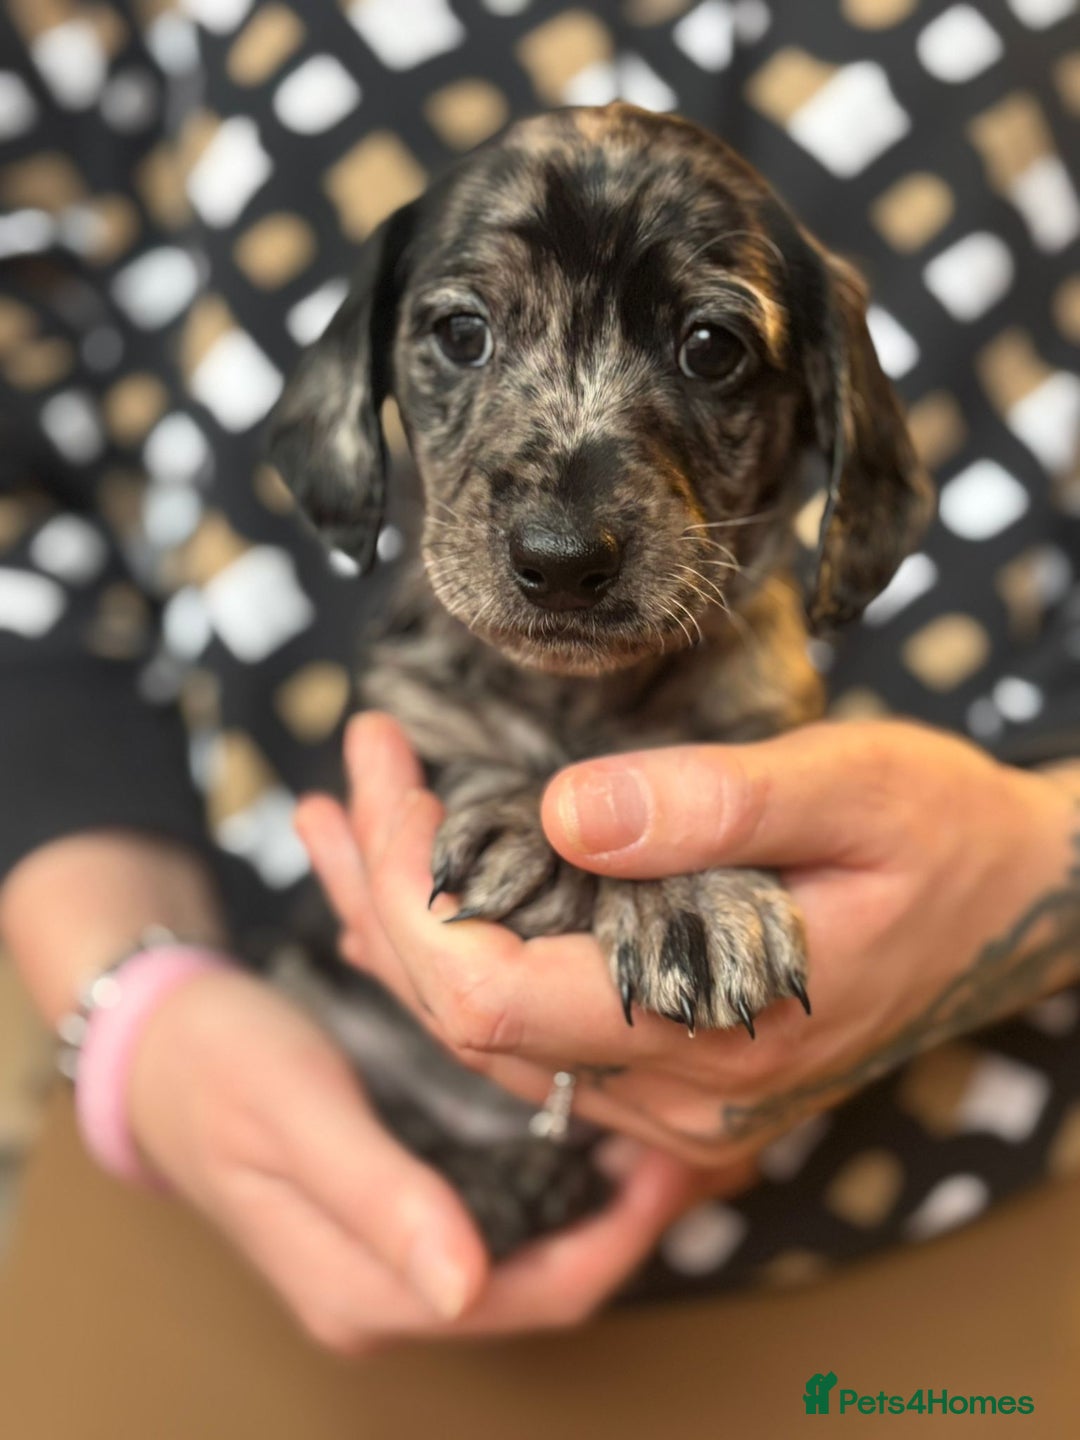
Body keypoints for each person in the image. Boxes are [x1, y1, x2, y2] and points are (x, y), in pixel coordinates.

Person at [1, 0, 1079, 1431]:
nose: (564, 531)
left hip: (931, 1241)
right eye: (464, 333)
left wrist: (1048, 860)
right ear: (359, 385)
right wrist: (138, 1012)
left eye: (712, 350)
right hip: (232, 1179)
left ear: (829, 420)